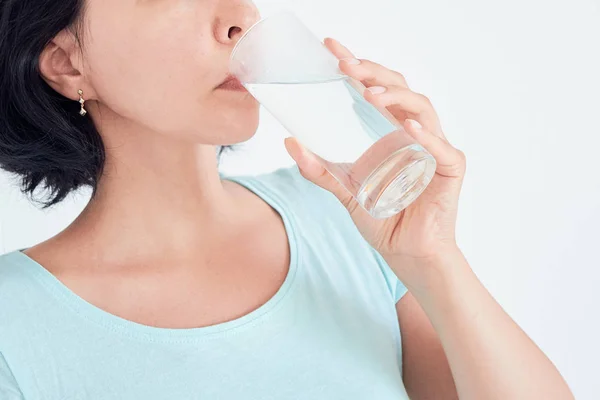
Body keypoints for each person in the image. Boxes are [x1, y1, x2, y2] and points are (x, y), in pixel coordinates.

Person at [0, 1, 574, 399]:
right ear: (68, 62)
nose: (240, 18)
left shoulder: (342, 214)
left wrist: (434, 260)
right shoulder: (14, 324)